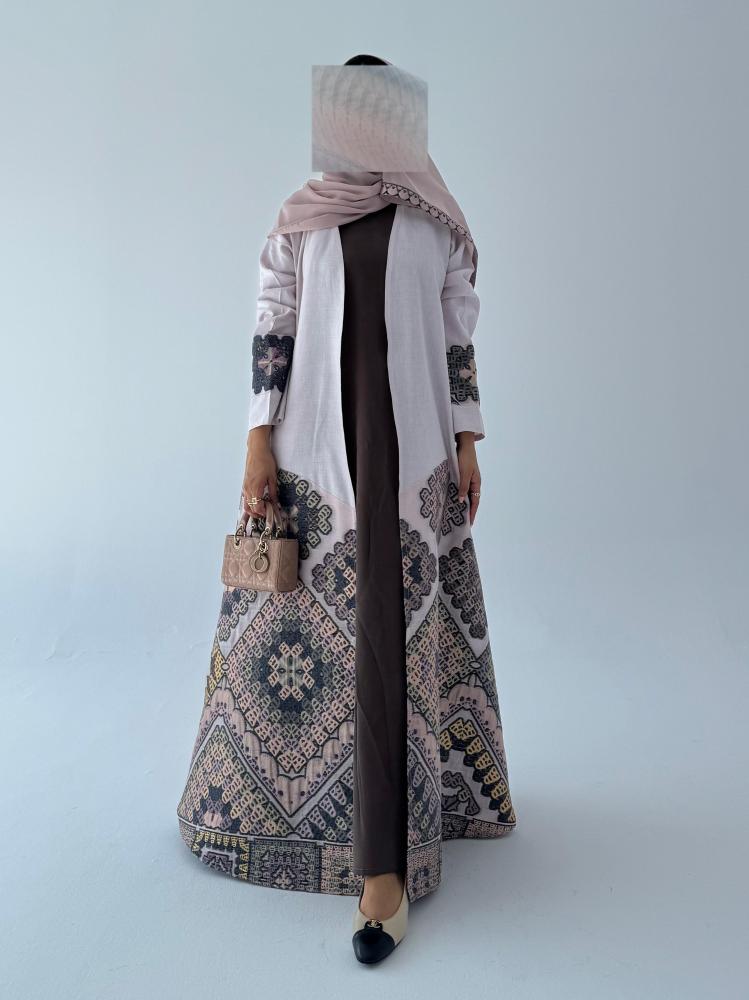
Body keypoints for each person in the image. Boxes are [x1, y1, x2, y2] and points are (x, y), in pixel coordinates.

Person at [176, 53, 517, 966]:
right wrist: (257, 436)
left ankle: (385, 868)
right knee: (319, 633)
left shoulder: (435, 217)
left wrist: (468, 439)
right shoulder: (303, 215)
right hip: (315, 455)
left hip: (410, 456)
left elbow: (456, 330)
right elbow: (274, 320)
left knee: (391, 633)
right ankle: (285, 825)